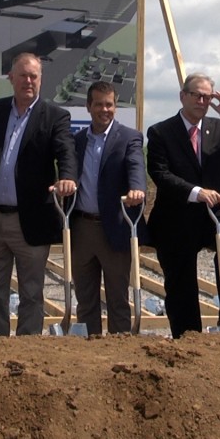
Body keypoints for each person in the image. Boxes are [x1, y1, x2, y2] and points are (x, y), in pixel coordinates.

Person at [0, 52, 77, 336]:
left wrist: (67, 177)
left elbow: (66, 150)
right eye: (23, 75)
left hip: (31, 219)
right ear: (11, 78)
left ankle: (27, 348)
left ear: (41, 80)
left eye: (34, 76)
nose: (28, 81)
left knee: (31, 292)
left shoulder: (55, 116)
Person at [146, 72, 220, 338]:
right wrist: (196, 192)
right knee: (180, 283)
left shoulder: (219, 128)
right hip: (176, 215)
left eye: (207, 97)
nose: (202, 101)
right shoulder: (161, 132)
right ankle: (188, 338)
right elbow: (160, 173)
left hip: (215, 213)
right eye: (197, 95)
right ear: (182, 96)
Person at [69, 81, 150, 335]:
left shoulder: (128, 137)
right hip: (82, 228)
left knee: (117, 298)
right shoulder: (77, 140)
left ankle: (120, 348)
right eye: (99, 104)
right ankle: (88, 348)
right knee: (85, 299)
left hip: (115, 226)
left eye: (109, 104)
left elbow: (136, 165)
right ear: (88, 107)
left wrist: (137, 189)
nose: (105, 110)